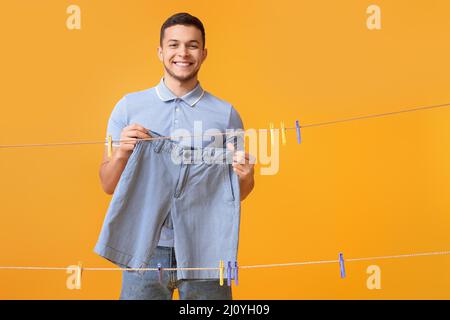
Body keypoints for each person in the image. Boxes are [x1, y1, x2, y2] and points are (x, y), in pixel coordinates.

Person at [98, 12, 255, 300]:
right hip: (144, 245)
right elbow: (108, 185)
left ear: (204, 53)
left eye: (192, 45)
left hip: (206, 246)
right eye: (174, 45)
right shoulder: (128, 108)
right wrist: (121, 152)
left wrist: (246, 177)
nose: (182, 53)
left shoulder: (226, 114)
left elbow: (236, 192)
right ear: (160, 51)